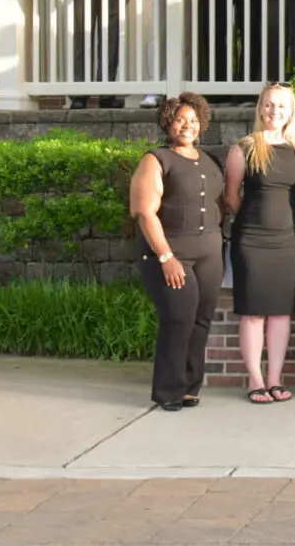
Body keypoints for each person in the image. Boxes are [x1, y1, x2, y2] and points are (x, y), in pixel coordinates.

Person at [129, 92, 222, 411]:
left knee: (201, 319)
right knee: (179, 318)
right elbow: (144, 212)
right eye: (181, 119)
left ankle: (189, 387)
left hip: (210, 252)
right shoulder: (155, 160)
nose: (188, 125)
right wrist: (166, 258)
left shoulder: (210, 160)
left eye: (194, 120)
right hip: (171, 252)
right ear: (168, 122)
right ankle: (168, 390)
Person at [225, 82, 295, 405]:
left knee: (281, 312)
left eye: (282, 106)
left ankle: (275, 378)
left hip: (288, 240)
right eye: (270, 105)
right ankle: (255, 379)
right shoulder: (244, 147)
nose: (275, 111)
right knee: (253, 313)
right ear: (260, 108)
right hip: (251, 240)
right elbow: (232, 197)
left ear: (291, 111)